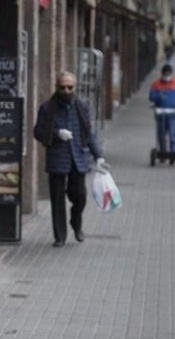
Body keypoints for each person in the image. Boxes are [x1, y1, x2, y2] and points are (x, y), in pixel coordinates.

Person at [33, 71, 105, 247]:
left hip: (78, 158)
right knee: (57, 199)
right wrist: (57, 134)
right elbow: (38, 132)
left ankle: (76, 222)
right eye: (62, 87)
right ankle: (60, 236)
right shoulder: (47, 108)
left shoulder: (82, 106)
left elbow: (89, 134)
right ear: (56, 87)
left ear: (74, 87)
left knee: (80, 196)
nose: (66, 90)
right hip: (57, 158)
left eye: (69, 87)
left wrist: (99, 156)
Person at [149, 64, 175, 155]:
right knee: (161, 133)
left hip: (173, 112)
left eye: (168, 73)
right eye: (165, 73)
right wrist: (159, 97)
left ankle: (173, 152)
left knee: (173, 133)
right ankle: (162, 151)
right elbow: (151, 96)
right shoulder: (156, 84)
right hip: (161, 112)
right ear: (162, 73)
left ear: (171, 73)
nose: (167, 75)